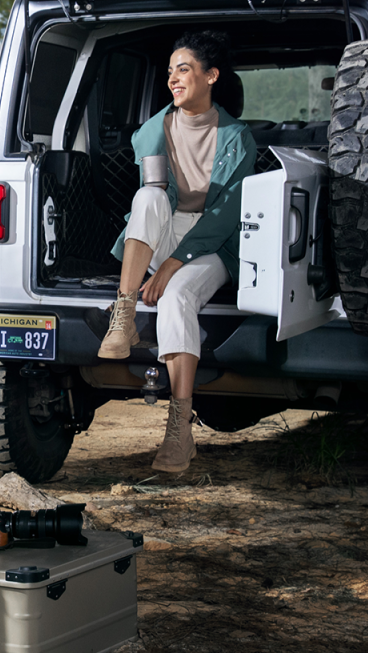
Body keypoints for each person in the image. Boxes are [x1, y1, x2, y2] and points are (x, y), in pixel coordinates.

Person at [96, 31, 256, 473]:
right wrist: (162, 257)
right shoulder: (154, 130)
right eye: (169, 72)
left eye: (183, 69)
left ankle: (179, 429)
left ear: (211, 76)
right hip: (164, 229)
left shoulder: (238, 139)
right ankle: (123, 316)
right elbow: (153, 202)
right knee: (147, 199)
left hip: (213, 242)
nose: (172, 79)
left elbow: (225, 216)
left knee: (176, 296)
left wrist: (171, 265)